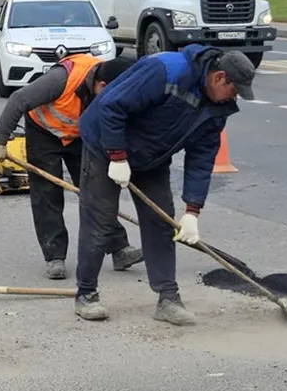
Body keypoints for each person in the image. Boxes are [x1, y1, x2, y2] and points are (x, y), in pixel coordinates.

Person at [73, 45, 256, 326]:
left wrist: (192, 212)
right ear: (220, 78)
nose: (235, 97)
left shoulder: (217, 110)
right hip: (104, 143)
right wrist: (117, 157)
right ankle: (86, 294)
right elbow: (112, 107)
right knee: (101, 221)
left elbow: (202, 160)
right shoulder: (167, 71)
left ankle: (168, 299)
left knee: (161, 223)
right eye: (235, 90)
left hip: (151, 157)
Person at [0, 54, 144, 279]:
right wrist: (0, 140)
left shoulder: (109, 83)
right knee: (47, 193)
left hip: (80, 136)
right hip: (44, 132)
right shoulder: (62, 79)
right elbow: (18, 100)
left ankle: (119, 249)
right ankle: (55, 256)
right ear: (102, 85)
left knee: (97, 191)